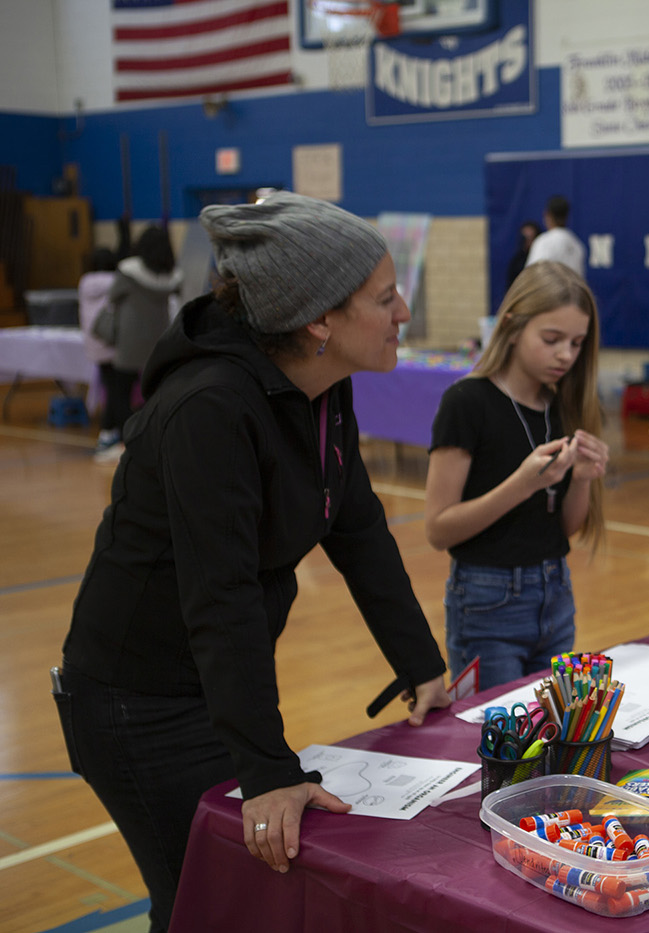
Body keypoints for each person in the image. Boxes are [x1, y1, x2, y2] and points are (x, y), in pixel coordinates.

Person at [56, 192, 449, 933]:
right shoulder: (211, 407)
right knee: (209, 903)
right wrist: (269, 770)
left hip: (205, 684)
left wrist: (421, 662)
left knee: (229, 899)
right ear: (318, 319)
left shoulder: (320, 392)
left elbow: (358, 527)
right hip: (136, 702)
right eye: (386, 297)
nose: (403, 313)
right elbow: (222, 594)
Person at [424, 260, 608, 689]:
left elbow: (565, 527)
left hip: (556, 594)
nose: (566, 354)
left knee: (558, 737)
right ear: (511, 325)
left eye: (577, 343)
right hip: (488, 602)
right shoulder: (467, 402)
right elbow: (437, 529)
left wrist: (580, 479)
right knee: (507, 748)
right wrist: (523, 485)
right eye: (551, 339)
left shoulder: (562, 405)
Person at [96, 226, 183, 462]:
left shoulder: (128, 271)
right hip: (160, 339)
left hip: (130, 340)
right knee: (157, 392)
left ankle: (127, 442)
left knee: (121, 392)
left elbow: (113, 296)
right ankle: (159, 438)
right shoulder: (172, 274)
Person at [77, 247, 121, 454]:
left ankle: (109, 431)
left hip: (95, 344)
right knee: (116, 390)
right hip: (112, 342)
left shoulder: (84, 282)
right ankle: (109, 432)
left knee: (109, 387)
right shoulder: (117, 281)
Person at [525, 195, 585, 276]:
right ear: (566, 216)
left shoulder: (544, 242)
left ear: (547, 214)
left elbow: (531, 278)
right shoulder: (577, 245)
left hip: (551, 288)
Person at [505, 219, 540, 289]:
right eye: (525, 238)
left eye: (531, 237)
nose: (528, 241)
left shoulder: (541, 258)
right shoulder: (517, 262)